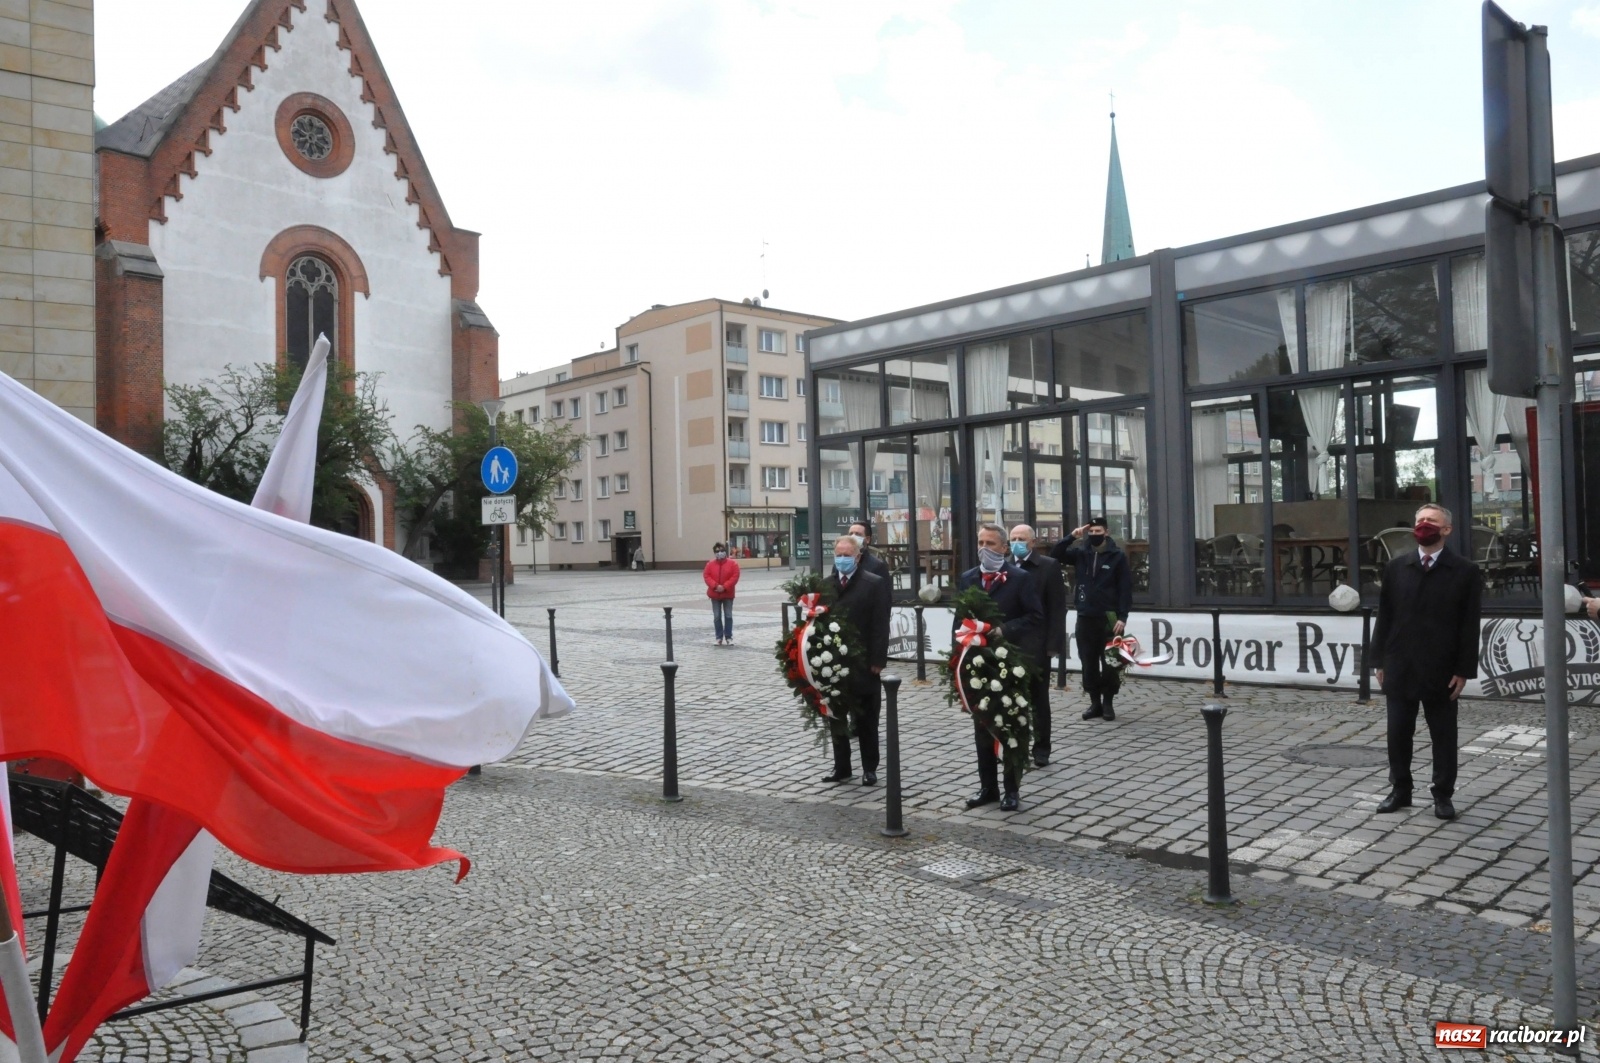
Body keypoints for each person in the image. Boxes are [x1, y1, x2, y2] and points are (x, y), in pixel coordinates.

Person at [1371, 504, 1483, 821]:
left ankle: (1443, 795)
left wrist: (1463, 670)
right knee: (1398, 733)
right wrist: (1378, 659)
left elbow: (1469, 625)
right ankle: (1400, 789)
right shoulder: (1396, 567)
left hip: (1442, 669)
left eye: (1431, 521)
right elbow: (1385, 616)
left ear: (1446, 529)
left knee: (1444, 736)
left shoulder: (1464, 571)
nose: (1423, 525)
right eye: (1419, 520)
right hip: (1400, 665)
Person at [956, 523, 1044, 812]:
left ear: (1004, 548)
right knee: (982, 726)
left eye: (991, 543)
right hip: (979, 664)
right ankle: (988, 788)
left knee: (1012, 726)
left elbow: (1035, 616)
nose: (984, 549)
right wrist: (957, 662)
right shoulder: (968, 578)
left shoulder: (1020, 578)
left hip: (1011, 663)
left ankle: (1011, 789)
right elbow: (960, 622)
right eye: (980, 542)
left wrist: (1003, 630)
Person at [823, 535, 891, 786]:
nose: (842, 559)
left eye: (847, 555)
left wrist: (878, 659)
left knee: (866, 719)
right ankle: (842, 767)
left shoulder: (873, 583)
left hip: (864, 663)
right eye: (838, 555)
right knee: (837, 717)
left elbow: (880, 624)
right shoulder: (826, 584)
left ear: (858, 557)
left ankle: (869, 768)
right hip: (833, 664)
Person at [1052, 517, 1133, 721]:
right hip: (1085, 615)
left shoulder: (1117, 556)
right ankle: (1094, 703)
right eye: (1091, 531)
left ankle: (1108, 704)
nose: (1094, 535)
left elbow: (1125, 588)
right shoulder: (1081, 553)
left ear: (1106, 532)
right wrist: (1072, 536)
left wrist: (1123, 616)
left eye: (1098, 531)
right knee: (1088, 662)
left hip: (1109, 617)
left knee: (1110, 663)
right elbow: (1056, 555)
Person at [1010, 523, 1065, 767]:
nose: (1016, 542)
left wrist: (1053, 644)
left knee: (1038, 699)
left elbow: (1057, 608)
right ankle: (1016, 744)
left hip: (1037, 644)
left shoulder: (1048, 566)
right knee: (1011, 698)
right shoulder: (1005, 566)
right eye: (1012, 538)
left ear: (1032, 542)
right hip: (1009, 642)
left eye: (1021, 538)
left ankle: (1042, 748)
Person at [703, 542, 740, 646]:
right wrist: (715, 586)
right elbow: (707, 576)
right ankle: (718, 637)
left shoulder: (733, 564)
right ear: (715, 553)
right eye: (718, 551)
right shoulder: (710, 564)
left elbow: (735, 576)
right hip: (715, 594)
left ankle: (728, 637)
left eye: (722, 550)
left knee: (728, 615)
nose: (720, 553)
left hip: (727, 594)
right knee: (717, 616)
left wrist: (725, 586)